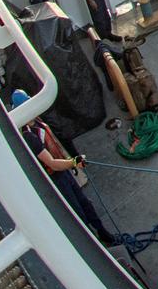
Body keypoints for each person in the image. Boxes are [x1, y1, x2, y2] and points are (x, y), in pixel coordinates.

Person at [11, 89, 118, 246]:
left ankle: (103, 234)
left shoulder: (37, 121)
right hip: (56, 178)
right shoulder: (29, 136)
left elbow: (55, 144)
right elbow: (51, 163)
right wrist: (73, 162)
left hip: (64, 172)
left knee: (85, 204)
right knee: (77, 213)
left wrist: (70, 162)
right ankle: (94, 245)